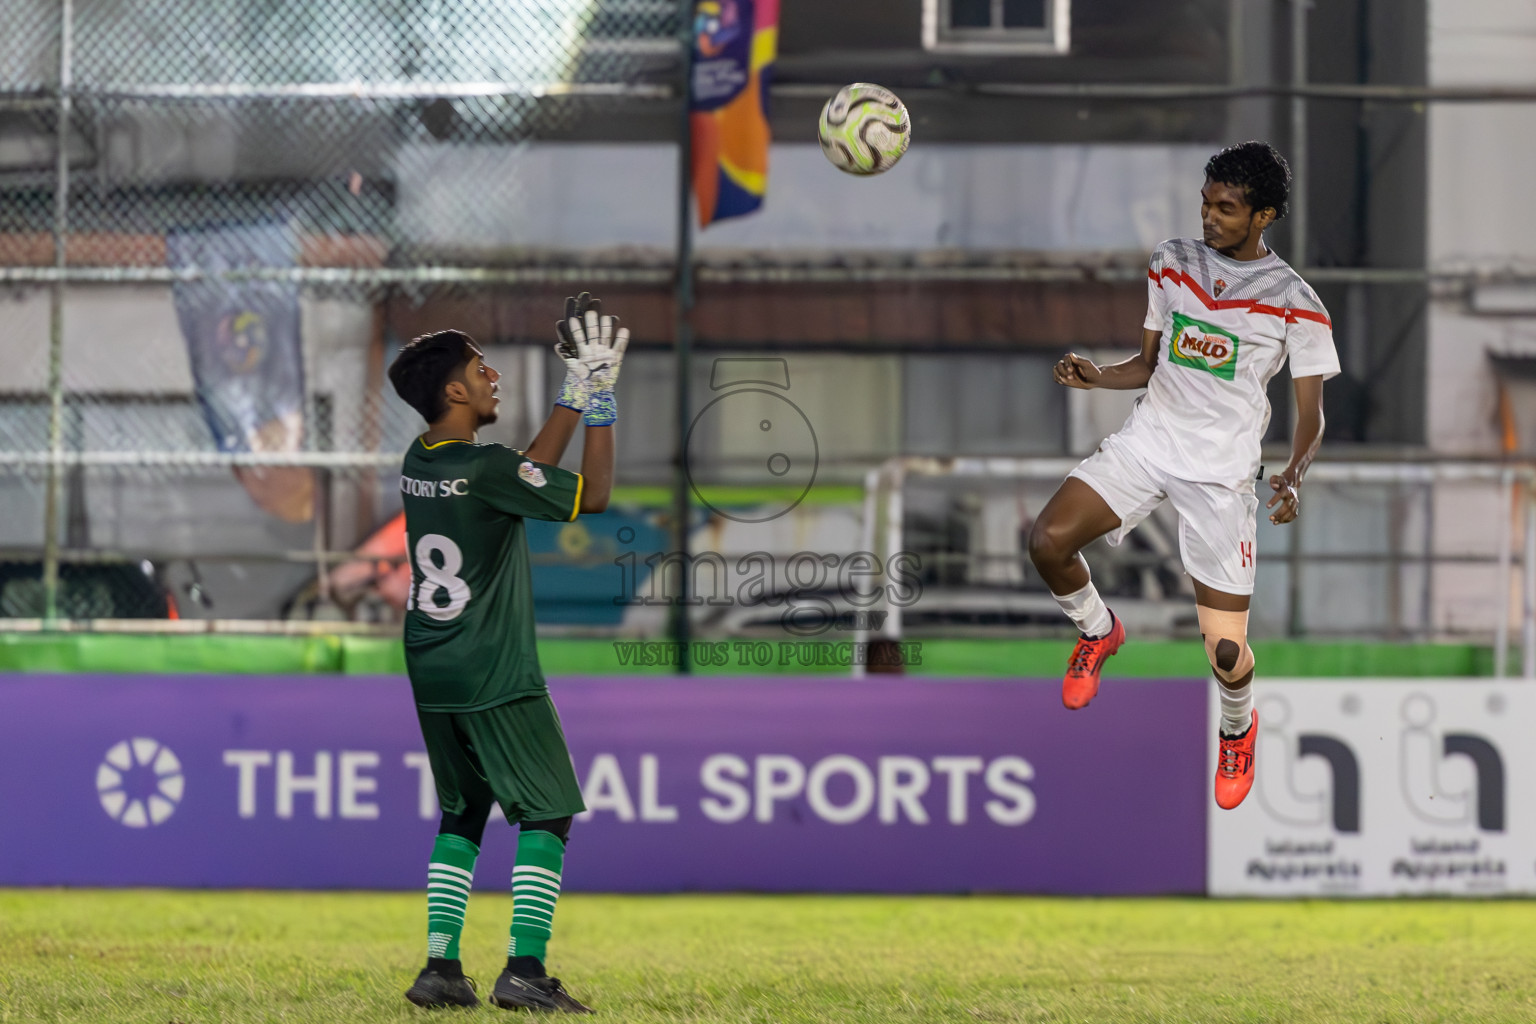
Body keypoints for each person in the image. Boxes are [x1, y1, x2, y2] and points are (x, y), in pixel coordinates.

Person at [1027, 141, 1338, 811]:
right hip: (1149, 442)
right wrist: (1098, 376)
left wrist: (1294, 475)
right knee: (1047, 542)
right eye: (1205, 202)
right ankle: (1095, 630)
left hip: (1221, 477)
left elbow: (1310, 413)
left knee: (1227, 657)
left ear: (1265, 216)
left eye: (1227, 208)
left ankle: (1236, 728)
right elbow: (1148, 363)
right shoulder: (1173, 261)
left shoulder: (1296, 302)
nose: (1210, 217)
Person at [386, 293, 627, 1012]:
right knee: (548, 811)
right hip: (494, 665)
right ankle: (524, 969)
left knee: (464, 811)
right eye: (481, 368)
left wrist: (570, 398)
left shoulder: (421, 458)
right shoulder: (487, 468)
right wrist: (601, 401)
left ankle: (440, 969)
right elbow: (596, 494)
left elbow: (519, 478)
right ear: (455, 390)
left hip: (433, 664)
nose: (493, 376)